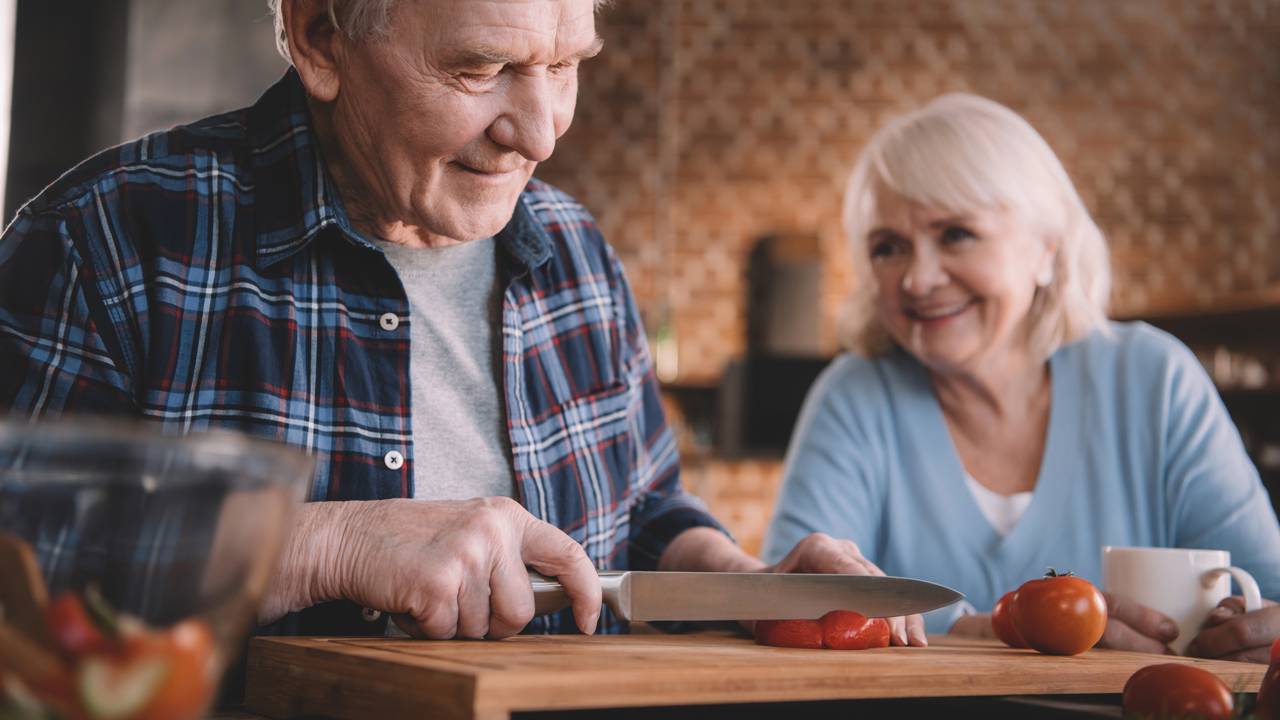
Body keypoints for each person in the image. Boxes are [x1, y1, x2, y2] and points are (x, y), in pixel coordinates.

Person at [0, 0, 921, 644]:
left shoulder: (576, 250)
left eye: (564, 65)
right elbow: (17, 571)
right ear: (319, 34)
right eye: (483, 67)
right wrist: (329, 543)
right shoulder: (108, 239)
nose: (542, 130)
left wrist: (740, 582)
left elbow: (641, 511)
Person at [762, 92, 1280, 662]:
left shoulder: (1156, 380)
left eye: (956, 234)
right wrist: (998, 629)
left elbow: (1265, 591)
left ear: (1047, 250)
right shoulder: (854, 396)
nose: (917, 278)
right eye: (888, 248)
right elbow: (793, 608)